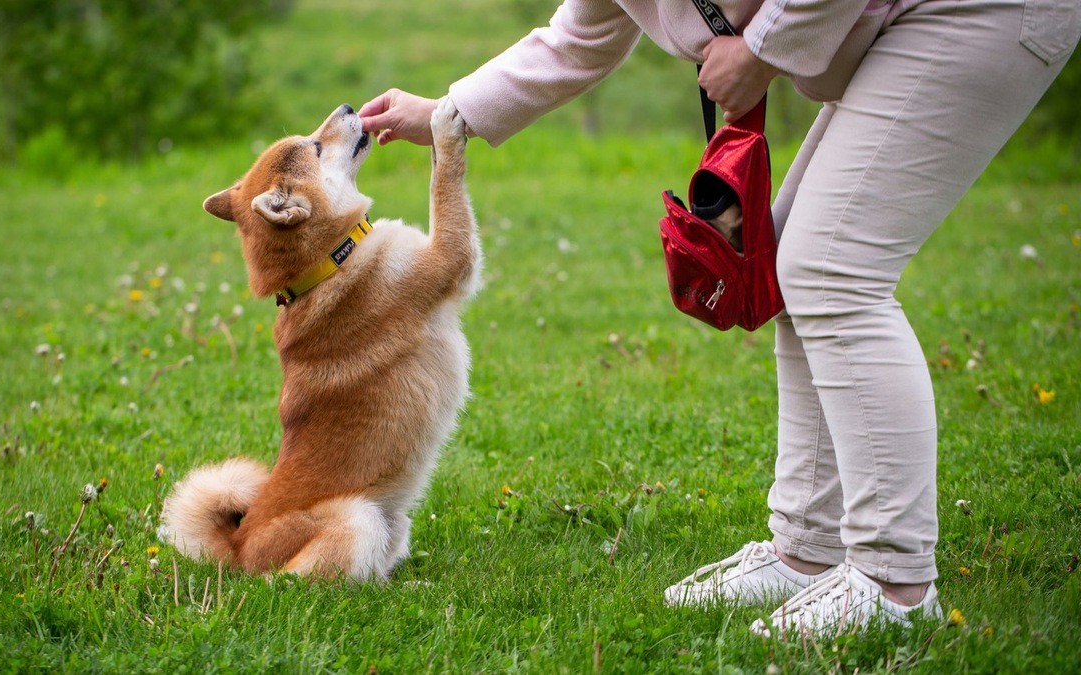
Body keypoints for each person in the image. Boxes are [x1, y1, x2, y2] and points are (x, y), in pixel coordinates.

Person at [360, 0, 1079, 637]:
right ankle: (808, 549)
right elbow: (575, 40)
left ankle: (894, 581)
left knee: (832, 270)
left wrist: (763, 47)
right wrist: (446, 113)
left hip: (975, 12)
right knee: (795, 268)